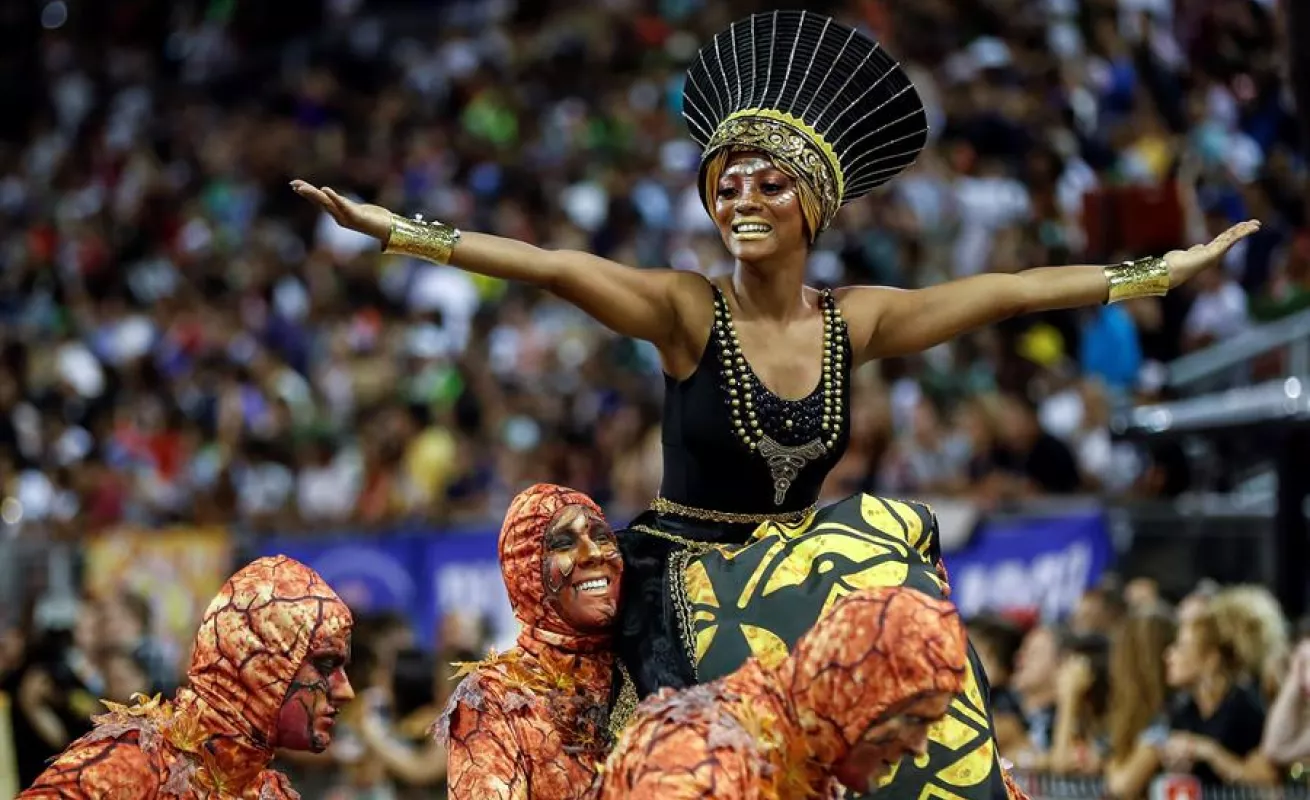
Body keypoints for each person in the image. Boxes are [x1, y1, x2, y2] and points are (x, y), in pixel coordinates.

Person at [293, 11, 1257, 800]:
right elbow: (549, 267)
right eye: (725, 184)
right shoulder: (684, 309)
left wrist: (1154, 274)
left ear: (814, 204)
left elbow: (1005, 290)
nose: (740, 199)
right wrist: (400, 233)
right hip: (690, 587)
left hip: (800, 579)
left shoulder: (853, 323)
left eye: (767, 182)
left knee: (889, 552)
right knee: (866, 537)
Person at [593, 585, 978, 799]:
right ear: (853, 693)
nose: (919, 747)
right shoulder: (700, 753)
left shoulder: (807, 765)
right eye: (913, 719)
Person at [19, 555, 354, 799]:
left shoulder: (266, 793)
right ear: (262, 667)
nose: (345, 691)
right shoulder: (133, 766)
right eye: (325, 666)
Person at [433, 483, 626, 800]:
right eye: (564, 543)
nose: (593, 552)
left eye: (602, 536)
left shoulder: (650, 663)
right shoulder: (491, 698)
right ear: (526, 570)